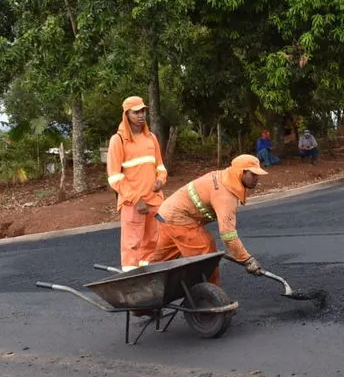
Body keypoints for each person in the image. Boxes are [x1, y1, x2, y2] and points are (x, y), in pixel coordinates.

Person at [150, 154, 268, 286]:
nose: (256, 179)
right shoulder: (226, 196)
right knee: (206, 253)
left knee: (159, 263)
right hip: (178, 218)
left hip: (167, 213)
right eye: (253, 175)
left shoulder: (224, 175)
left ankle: (141, 296)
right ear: (240, 172)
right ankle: (212, 295)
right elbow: (228, 235)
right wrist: (247, 259)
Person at [106, 96, 168, 271]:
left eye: (143, 111)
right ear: (127, 115)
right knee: (132, 245)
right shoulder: (117, 140)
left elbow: (161, 167)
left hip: (154, 201)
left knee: (153, 243)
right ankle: (132, 282)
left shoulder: (152, 138)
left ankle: (150, 279)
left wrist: (160, 180)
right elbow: (114, 178)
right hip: (132, 204)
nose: (141, 115)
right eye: (136, 112)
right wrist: (136, 200)